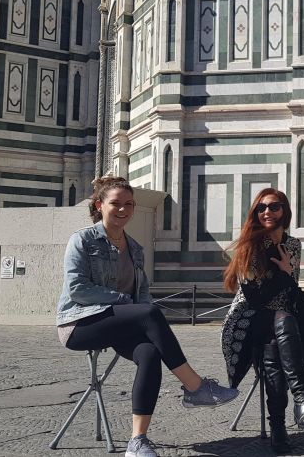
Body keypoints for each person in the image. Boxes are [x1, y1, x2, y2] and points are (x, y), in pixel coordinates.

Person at [56, 177, 238, 457]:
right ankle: (195, 387)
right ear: (99, 205)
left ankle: (137, 441)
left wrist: (137, 312)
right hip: (80, 323)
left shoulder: (135, 248)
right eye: (115, 203)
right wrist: (125, 302)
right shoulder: (83, 240)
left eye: (129, 204)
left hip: (119, 323)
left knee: (151, 353)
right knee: (150, 312)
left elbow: (140, 296)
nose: (122, 209)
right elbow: (77, 290)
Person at [221, 189, 304, 453]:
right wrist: (285, 273)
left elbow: (287, 292)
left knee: (274, 348)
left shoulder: (294, 245)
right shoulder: (248, 246)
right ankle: (302, 399)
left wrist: (285, 277)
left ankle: (278, 427)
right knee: (283, 323)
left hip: (280, 322)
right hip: (248, 318)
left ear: (284, 211)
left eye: (274, 207)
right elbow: (256, 299)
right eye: (261, 208)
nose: (267, 212)